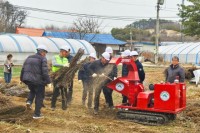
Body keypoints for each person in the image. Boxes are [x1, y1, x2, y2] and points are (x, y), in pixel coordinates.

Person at [20, 45, 51, 119]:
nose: (45, 54)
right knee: (39, 96)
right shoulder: (43, 59)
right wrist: (48, 82)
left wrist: (21, 79)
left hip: (28, 80)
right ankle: (37, 114)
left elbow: (23, 69)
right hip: (38, 81)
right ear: (42, 52)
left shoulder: (29, 57)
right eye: (45, 52)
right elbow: (45, 72)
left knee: (32, 91)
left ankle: (29, 101)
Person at [51, 45, 69, 110]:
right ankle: (53, 105)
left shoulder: (65, 59)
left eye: (67, 52)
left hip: (63, 77)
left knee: (64, 91)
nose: (66, 53)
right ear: (62, 51)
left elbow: (67, 67)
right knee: (56, 91)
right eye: (65, 52)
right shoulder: (55, 57)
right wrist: (63, 65)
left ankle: (64, 106)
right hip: (56, 76)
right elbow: (54, 64)